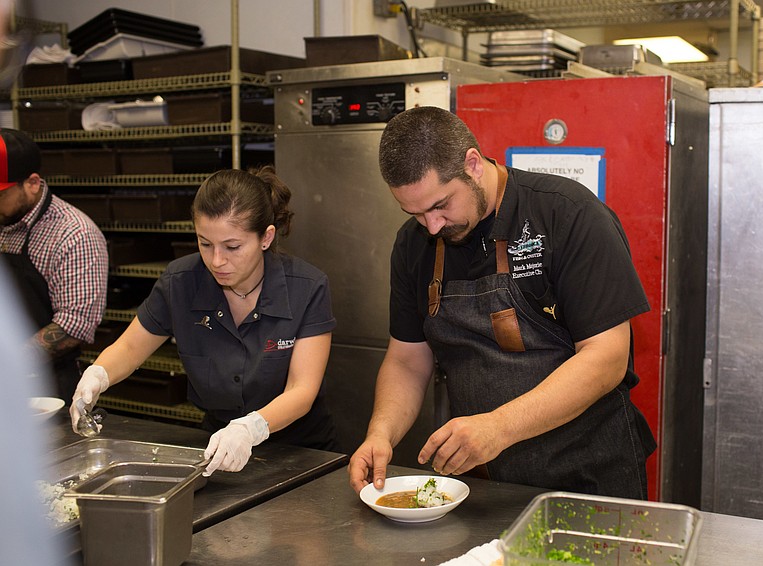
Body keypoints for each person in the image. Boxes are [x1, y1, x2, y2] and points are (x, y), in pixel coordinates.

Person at [349, 106, 657, 499]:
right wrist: (381, 433)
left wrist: (499, 427)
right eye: (416, 213)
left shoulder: (568, 214)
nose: (432, 226)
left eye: (441, 205)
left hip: (589, 476)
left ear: (473, 164)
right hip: (488, 485)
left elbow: (606, 357)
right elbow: (408, 359)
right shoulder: (413, 243)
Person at [70, 166, 339, 476]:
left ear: (266, 237)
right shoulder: (181, 282)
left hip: (301, 452)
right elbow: (130, 348)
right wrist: (98, 375)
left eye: (232, 247)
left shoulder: (307, 287)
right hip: (217, 447)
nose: (217, 261)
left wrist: (249, 428)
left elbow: (301, 390)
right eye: (205, 243)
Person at [0, 128, 108, 404]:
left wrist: (9, 363)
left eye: (0, 196)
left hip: (46, 386)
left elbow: (73, 324)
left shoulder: (74, 234)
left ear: (32, 183)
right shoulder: (4, 219)